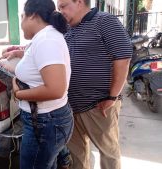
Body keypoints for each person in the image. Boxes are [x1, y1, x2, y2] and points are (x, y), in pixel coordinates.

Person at [56, 0, 132, 169]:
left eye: (63, 6)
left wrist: (112, 97)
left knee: (108, 153)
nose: (60, 11)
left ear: (80, 2)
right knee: (77, 156)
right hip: (71, 106)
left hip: (99, 105)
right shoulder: (68, 29)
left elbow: (123, 58)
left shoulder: (105, 21)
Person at [11, 0, 73, 168]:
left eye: (22, 16)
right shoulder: (45, 37)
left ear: (33, 15)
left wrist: (18, 93)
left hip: (45, 122)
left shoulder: (46, 39)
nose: (21, 23)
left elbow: (55, 89)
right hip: (46, 120)